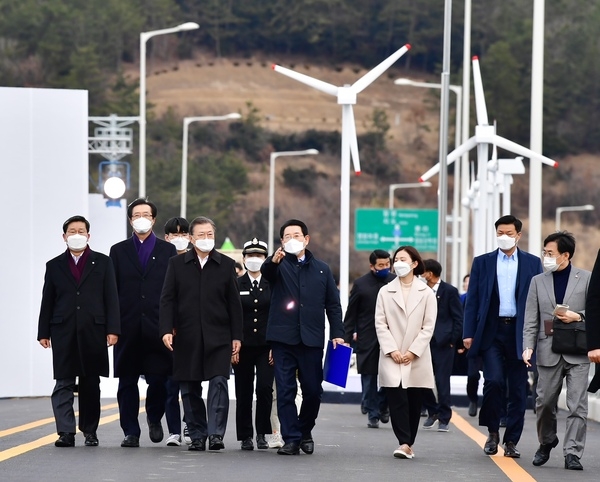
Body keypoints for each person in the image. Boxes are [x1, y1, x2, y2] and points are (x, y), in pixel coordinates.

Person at [159, 216, 243, 452]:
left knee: (219, 383)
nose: (206, 239)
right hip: (186, 336)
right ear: (191, 238)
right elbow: (167, 299)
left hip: (219, 336)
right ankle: (197, 434)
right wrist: (166, 329)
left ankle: (216, 434)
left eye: (210, 235)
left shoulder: (226, 265)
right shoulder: (176, 265)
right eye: (201, 235)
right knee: (189, 387)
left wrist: (237, 336)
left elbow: (234, 304)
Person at [261, 219, 344, 455]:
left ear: (306, 239)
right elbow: (267, 273)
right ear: (281, 242)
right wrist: (272, 260)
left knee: (312, 390)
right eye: (287, 236)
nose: (292, 239)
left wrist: (338, 333)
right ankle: (291, 438)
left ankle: (305, 429)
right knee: (285, 390)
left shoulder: (322, 269)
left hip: (311, 339)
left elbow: (333, 304)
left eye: (297, 235)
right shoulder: (277, 266)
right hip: (282, 339)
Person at [463, 214, 542, 458]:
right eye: (500, 233)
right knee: (494, 381)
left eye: (509, 233)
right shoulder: (482, 262)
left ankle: (511, 442)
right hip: (491, 331)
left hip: (520, 332)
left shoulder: (532, 263)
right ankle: (493, 432)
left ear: (518, 235)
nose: (504, 237)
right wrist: (468, 333)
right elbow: (473, 300)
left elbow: (539, 299)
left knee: (518, 389)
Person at [37, 215, 120, 447]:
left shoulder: (103, 263)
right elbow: (48, 301)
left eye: (81, 231)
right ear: (64, 237)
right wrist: (43, 331)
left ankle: (90, 430)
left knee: (90, 383)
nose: (76, 234)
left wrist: (113, 328)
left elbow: (111, 298)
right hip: (62, 330)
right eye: (71, 231)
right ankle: (65, 431)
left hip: (93, 329)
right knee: (63, 382)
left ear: (88, 235)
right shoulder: (53, 266)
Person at [109, 198, 177, 448]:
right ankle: (130, 431)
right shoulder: (118, 251)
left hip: (158, 327)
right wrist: (112, 327)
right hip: (127, 327)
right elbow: (112, 291)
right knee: (126, 381)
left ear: (154, 219)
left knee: (158, 379)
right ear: (130, 220)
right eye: (136, 214)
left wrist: (171, 324)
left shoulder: (167, 250)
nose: (141, 218)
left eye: (146, 214)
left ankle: (154, 417)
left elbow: (172, 291)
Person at [523, 231, 590, 470]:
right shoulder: (537, 281)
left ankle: (572, 452)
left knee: (577, 405)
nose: (546, 257)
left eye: (550, 253)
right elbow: (531, 318)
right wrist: (528, 346)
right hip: (548, 348)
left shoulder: (587, 279)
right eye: (545, 253)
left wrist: (579, 316)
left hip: (578, 350)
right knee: (544, 403)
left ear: (566, 255)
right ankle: (547, 441)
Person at [375, 245, 437, 459]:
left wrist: (412, 351)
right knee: (397, 399)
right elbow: (380, 324)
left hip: (416, 356)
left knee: (413, 400)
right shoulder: (385, 291)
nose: (398, 263)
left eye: (403, 259)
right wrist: (392, 350)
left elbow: (428, 326)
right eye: (397, 259)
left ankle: (408, 442)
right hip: (392, 355)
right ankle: (403, 442)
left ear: (414, 264)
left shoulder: (426, 292)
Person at [343, 249, 395, 429]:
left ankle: (382, 404)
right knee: (369, 376)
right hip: (367, 336)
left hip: (392, 336)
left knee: (393, 376)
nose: (385, 268)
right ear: (372, 266)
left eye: (387, 265)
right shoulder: (361, 284)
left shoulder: (395, 282)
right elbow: (351, 314)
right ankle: (373, 413)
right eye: (381, 265)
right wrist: (346, 337)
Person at [233, 238, 274, 450]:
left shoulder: (272, 284)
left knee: (265, 389)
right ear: (244, 258)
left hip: (266, 346)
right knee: (244, 391)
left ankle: (262, 433)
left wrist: (275, 345)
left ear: (265, 259)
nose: (254, 260)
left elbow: (278, 316)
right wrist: (233, 342)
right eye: (250, 256)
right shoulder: (236, 284)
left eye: (259, 256)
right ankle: (245, 435)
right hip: (243, 346)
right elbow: (231, 315)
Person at [421, 259, 463, 432]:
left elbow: (458, 318)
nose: (421, 276)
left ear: (430, 274)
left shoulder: (450, 291)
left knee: (442, 381)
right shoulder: (421, 291)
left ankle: (444, 417)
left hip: (443, 343)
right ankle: (432, 411)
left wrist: (453, 340)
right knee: (422, 380)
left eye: (423, 272)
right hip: (423, 342)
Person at [162, 217, 191, 446]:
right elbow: (163, 299)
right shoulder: (164, 262)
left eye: (184, 234)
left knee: (191, 383)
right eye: (174, 234)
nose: (179, 239)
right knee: (170, 384)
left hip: (193, 331)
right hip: (170, 332)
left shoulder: (197, 261)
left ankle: (191, 424)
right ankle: (174, 430)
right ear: (167, 238)